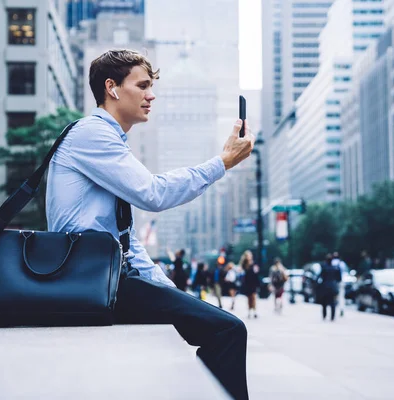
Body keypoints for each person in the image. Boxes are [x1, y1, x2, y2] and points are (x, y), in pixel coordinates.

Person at [46, 49, 254, 399]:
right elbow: (153, 194)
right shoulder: (91, 135)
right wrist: (222, 163)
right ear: (111, 88)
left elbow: (125, 238)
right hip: (91, 280)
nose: (151, 95)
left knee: (219, 328)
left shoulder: (108, 140)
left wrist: (167, 289)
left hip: (104, 277)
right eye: (142, 86)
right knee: (228, 331)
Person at [318, 253, 342, 321]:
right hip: (333, 287)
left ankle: (324, 315)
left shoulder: (324, 268)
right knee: (332, 303)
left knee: (324, 302)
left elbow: (320, 277)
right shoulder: (336, 268)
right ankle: (332, 317)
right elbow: (339, 279)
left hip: (325, 287)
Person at [240, 250, 260, 319]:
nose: (250, 256)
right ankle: (249, 311)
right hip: (247, 283)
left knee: (253, 297)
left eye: (250, 255)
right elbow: (242, 272)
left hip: (253, 282)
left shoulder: (254, 263)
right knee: (249, 298)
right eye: (248, 255)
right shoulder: (244, 264)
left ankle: (254, 311)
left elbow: (256, 273)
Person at [332, 252, 349, 317]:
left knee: (333, 297)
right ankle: (341, 308)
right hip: (341, 282)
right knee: (341, 296)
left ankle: (333, 310)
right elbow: (345, 272)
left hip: (333, 283)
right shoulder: (342, 264)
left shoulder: (332, 263)